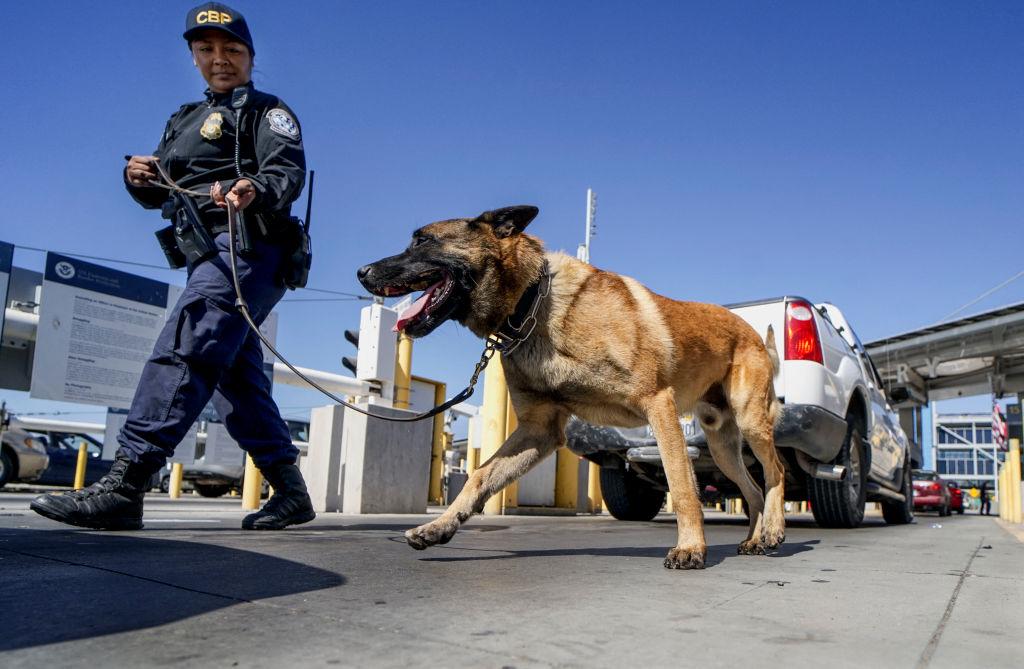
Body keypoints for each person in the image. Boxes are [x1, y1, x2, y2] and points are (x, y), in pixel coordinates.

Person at [31, 3, 314, 531]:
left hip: (247, 247)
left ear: (250, 56)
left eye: (232, 50)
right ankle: (291, 492)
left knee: (186, 346)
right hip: (206, 252)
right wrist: (141, 176)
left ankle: (127, 485)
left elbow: (286, 172)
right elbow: (163, 189)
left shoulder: (268, 111)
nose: (219, 59)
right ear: (193, 57)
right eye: (206, 50)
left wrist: (254, 187)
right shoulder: (183, 118)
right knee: (237, 376)